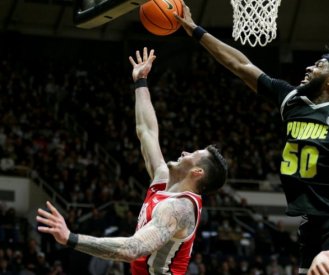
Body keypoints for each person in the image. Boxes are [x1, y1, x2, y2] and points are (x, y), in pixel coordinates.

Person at [174, 3, 329, 273]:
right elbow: (239, 64)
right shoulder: (292, 100)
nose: (309, 67)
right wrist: (195, 30)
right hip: (313, 220)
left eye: (319, 66)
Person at [36, 48, 228, 275]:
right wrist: (141, 82)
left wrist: (71, 238)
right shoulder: (163, 180)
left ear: (197, 172)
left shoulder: (180, 208)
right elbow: (146, 130)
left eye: (193, 154)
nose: (185, 152)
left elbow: (131, 249)